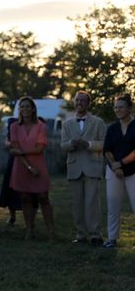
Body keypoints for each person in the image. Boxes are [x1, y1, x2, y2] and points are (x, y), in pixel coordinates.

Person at [60, 91, 106, 245]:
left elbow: (104, 144)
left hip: (92, 166)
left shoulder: (98, 122)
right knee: (77, 203)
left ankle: (95, 235)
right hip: (74, 167)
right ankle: (81, 235)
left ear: (88, 104)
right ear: (74, 102)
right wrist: (70, 144)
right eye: (77, 100)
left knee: (92, 203)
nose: (79, 103)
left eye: (83, 100)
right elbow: (63, 145)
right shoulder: (67, 123)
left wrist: (89, 145)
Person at [9, 97, 55, 241]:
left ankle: (51, 231)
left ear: (33, 109)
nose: (25, 109)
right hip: (21, 166)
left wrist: (20, 152)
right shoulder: (14, 126)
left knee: (43, 197)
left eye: (28, 106)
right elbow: (14, 147)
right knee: (25, 198)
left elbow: (40, 148)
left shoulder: (41, 126)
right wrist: (27, 166)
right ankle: (29, 229)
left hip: (38, 166)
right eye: (22, 107)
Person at [102, 94, 135, 248]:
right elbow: (107, 150)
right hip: (113, 171)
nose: (118, 109)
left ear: (129, 108)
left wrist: (120, 163)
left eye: (121, 106)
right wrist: (115, 165)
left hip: (133, 171)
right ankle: (112, 239)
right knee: (113, 206)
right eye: (116, 107)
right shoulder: (112, 128)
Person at [0, 117, 22, 226]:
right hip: (13, 159)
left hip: (28, 157)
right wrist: (9, 144)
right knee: (10, 187)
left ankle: (30, 215)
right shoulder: (12, 122)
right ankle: (12, 215)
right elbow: (8, 141)